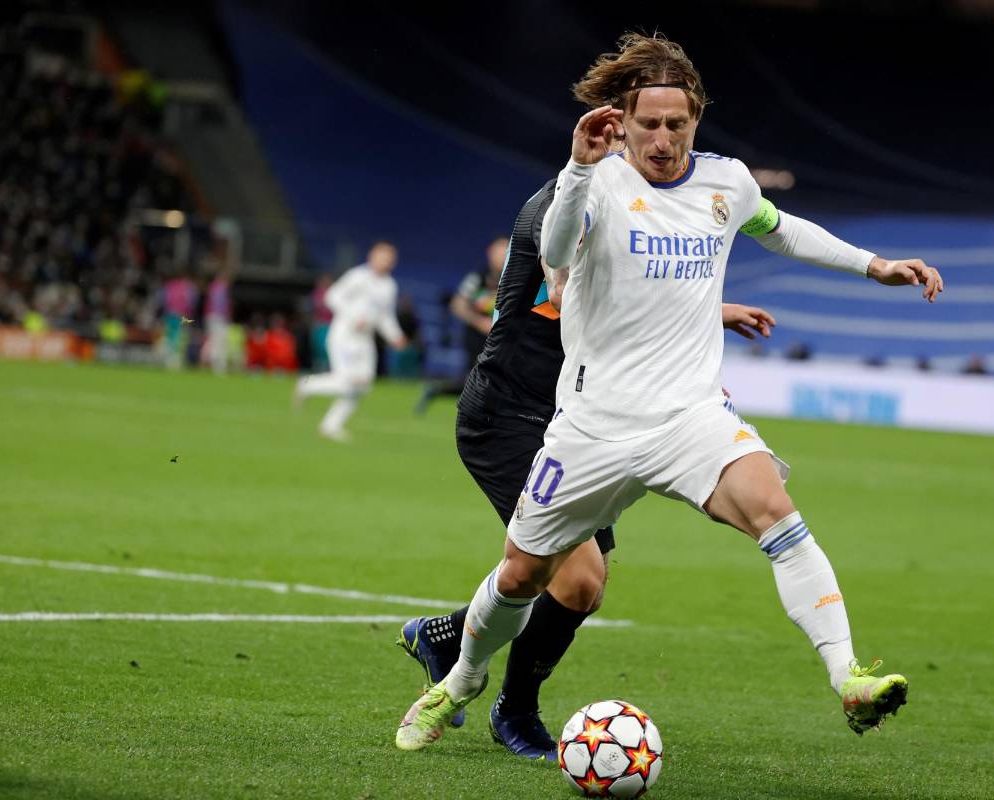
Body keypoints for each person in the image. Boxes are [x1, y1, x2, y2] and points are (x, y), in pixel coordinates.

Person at [396, 33, 945, 753]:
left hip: (689, 416)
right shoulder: (591, 184)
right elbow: (556, 253)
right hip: (590, 426)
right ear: (621, 121)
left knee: (776, 513)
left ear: (696, 120)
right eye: (648, 124)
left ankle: (849, 677)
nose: (661, 139)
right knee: (525, 574)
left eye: (675, 124)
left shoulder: (727, 183)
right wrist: (578, 166)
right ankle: (462, 679)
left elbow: (781, 230)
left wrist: (874, 265)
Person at [396, 174, 777, 760]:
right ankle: (514, 710)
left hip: (582, 421)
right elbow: (590, 296)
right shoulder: (560, 207)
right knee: (577, 577)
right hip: (509, 415)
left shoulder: (619, 200)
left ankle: (446, 638)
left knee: (579, 588)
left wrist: (701, 330)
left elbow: (637, 291)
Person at [293, 241, 407, 442]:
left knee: (363, 385)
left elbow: (385, 316)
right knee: (347, 381)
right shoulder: (358, 277)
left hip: (365, 339)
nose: (385, 262)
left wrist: (395, 335)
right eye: (382, 257)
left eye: (389, 259)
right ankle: (307, 384)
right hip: (344, 335)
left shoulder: (389, 286)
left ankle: (330, 426)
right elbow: (332, 296)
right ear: (372, 256)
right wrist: (353, 317)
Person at [414, 237, 506, 414]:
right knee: (478, 378)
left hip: (502, 337)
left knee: (490, 379)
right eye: (499, 252)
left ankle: (438, 390)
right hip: (477, 337)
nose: (502, 257)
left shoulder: (513, 277)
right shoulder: (477, 277)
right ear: (490, 252)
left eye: (506, 252)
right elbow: (458, 304)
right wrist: (479, 322)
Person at [201, 269, 232, 375]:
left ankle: (209, 362)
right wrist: (225, 316)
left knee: (213, 340)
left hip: (212, 317)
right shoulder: (219, 288)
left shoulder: (214, 287)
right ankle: (217, 364)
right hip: (217, 317)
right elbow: (219, 305)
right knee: (218, 340)